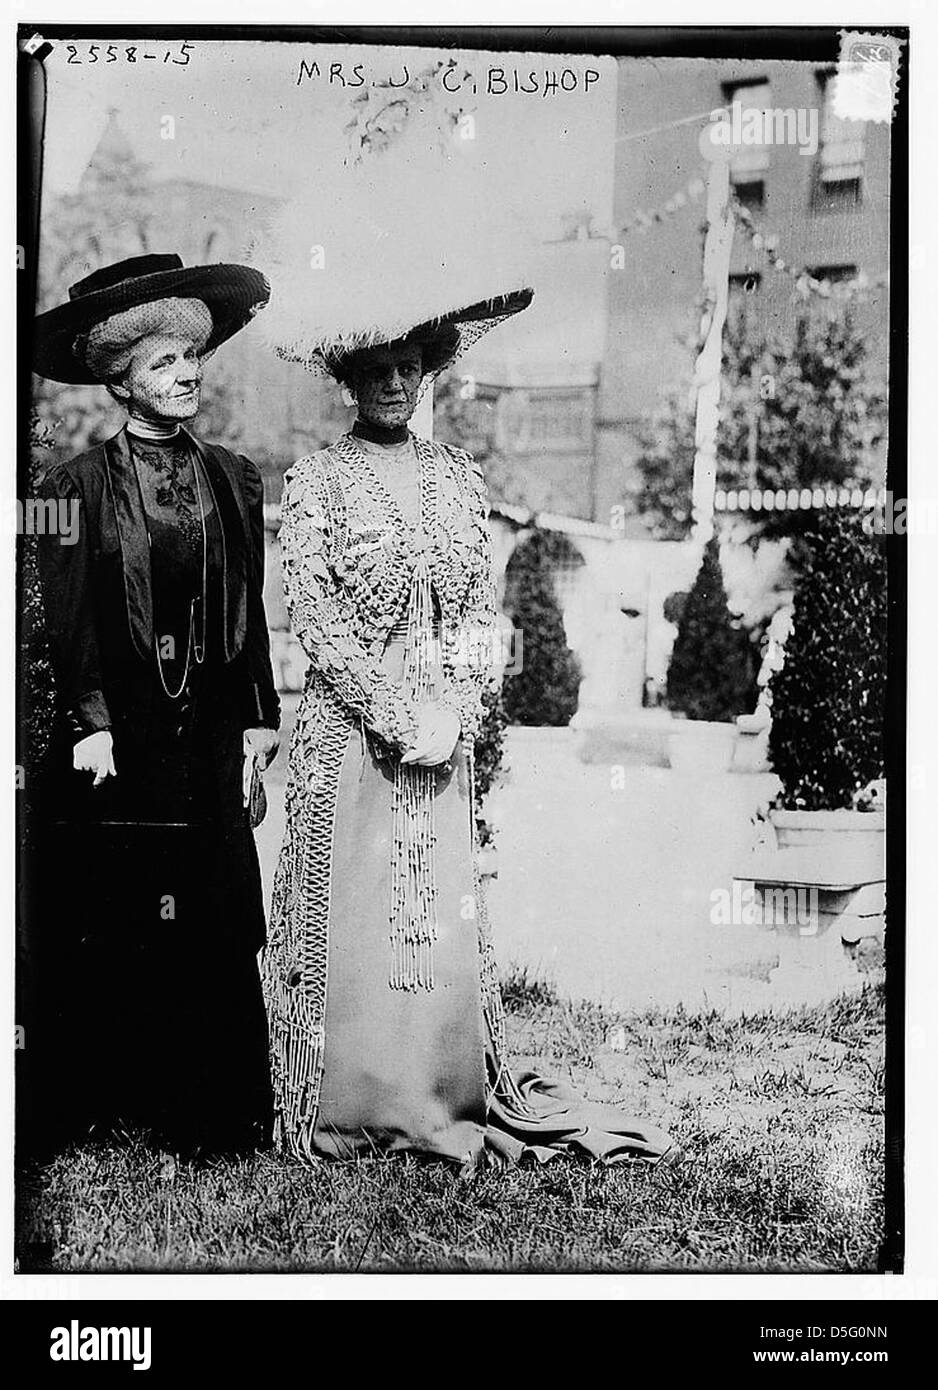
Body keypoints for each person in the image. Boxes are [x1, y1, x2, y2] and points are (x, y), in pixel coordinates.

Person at [262, 296, 679, 1169]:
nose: (392, 383)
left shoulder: (459, 477)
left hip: (442, 738)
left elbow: (476, 615)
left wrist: (452, 706)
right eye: (374, 368)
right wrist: (391, 711)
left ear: (427, 372)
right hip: (349, 737)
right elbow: (317, 617)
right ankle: (345, 1107)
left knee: (435, 922)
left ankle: (442, 1095)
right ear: (348, 377)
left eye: (408, 367)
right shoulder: (317, 481)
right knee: (357, 920)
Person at [31, 253, 281, 1156]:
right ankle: (115, 1104)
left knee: (210, 913)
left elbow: (249, 609)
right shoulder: (67, 490)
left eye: (192, 358)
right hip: (122, 737)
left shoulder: (235, 478)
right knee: (122, 911)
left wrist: (259, 719)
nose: (188, 375)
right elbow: (63, 624)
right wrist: (90, 726)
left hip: (209, 731)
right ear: (120, 381)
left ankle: (213, 1113)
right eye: (164, 365)